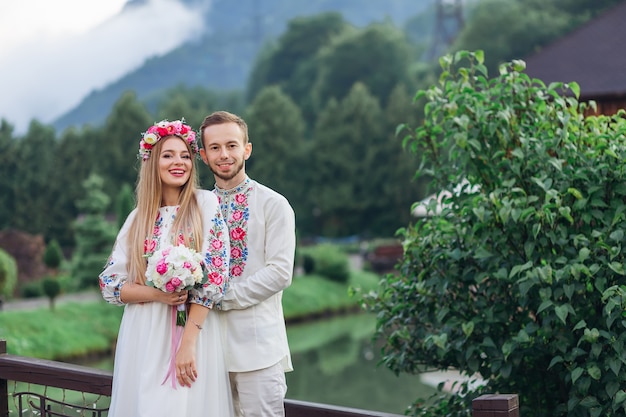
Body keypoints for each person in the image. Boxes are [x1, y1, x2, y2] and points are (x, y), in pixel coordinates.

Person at [99, 119, 235, 417]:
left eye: (185, 155)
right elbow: (110, 284)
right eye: (168, 155)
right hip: (143, 334)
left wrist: (186, 345)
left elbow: (214, 281)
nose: (179, 162)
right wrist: (157, 294)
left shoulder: (205, 205)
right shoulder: (138, 219)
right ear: (152, 163)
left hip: (190, 334)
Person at [199, 111, 296, 417]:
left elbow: (280, 272)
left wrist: (223, 297)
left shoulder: (273, 204)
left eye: (231, 145)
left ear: (247, 149)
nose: (224, 154)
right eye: (214, 147)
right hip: (208, 351)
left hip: (259, 351)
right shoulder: (197, 208)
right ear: (203, 155)